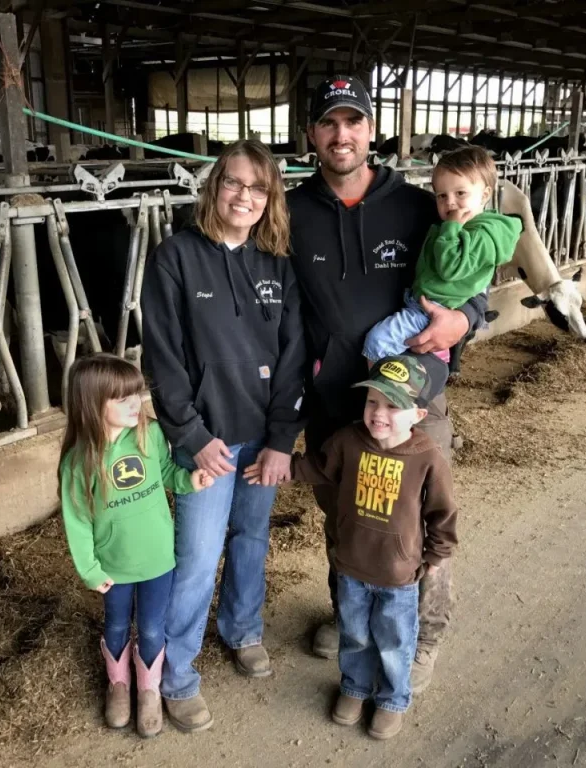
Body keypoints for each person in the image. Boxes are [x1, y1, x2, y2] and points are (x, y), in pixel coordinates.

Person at [287, 74, 489, 692]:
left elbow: (468, 274)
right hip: (333, 400)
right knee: (347, 512)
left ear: (371, 131)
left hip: (410, 399)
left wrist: (467, 318)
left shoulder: (414, 205)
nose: (341, 134)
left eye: (353, 121)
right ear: (311, 136)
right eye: (328, 123)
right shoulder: (291, 211)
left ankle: (424, 636)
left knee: (419, 518)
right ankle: (356, 615)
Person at [142, 139, 306, 733]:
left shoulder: (277, 263)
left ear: (271, 198)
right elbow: (163, 357)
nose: (245, 196)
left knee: (251, 539)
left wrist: (282, 438)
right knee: (195, 557)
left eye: (258, 188)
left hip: (261, 437)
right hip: (205, 441)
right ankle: (177, 671)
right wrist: (190, 433)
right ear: (215, 187)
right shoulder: (175, 258)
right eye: (234, 183)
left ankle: (242, 629)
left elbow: (293, 354)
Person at [244, 354, 458, 740]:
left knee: (395, 641)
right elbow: (318, 468)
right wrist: (283, 469)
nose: (379, 413)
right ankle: (355, 688)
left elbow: (442, 513)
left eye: (394, 406)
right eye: (373, 401)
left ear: (419, 415)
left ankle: (393, 698)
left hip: (398, 575)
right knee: (355, 633)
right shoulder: (348, 441)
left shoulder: (427, 458)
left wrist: (437, 556)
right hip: (351, 567)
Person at [58, 353, 213, 738]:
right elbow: (76, 520)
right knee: (114, 624)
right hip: (114, 565)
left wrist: (190, 482)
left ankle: (147, 690)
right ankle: (119, 686)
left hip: (158, 558)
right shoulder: (80, 461)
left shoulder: (149, 434)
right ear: (92, 404)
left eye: (136, 395)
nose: (136, 404)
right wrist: (89, 569)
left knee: (150, 627)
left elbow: (166, 474)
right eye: (122, 399)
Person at [362, 146, 522, 363]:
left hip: (435, 309)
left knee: (377, 342)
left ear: (485, 194)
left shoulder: (483, 234)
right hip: (425, 301)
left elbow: (451, 268)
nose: (450, 203)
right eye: (441, 196)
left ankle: (376, 393)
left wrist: (450, 228)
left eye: (460, 193)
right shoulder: (468, 226)